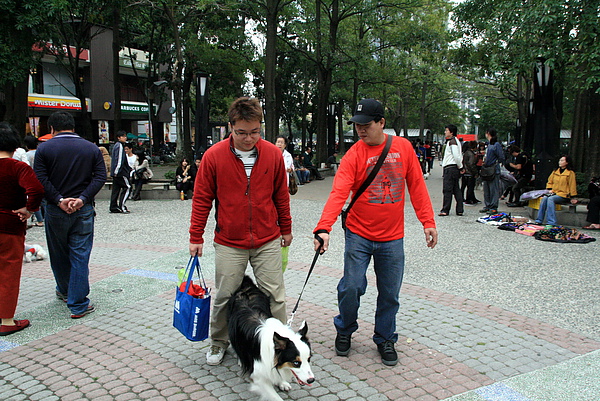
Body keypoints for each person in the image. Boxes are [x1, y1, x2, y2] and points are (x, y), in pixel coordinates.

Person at [313, 98, 437, 366]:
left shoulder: (403, 149)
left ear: (382, 123)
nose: (360, 130)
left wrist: (428, 222)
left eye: (366, 125)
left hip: (392, 237)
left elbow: (417, 187)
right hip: (358, 234)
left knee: (390, 293)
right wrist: (324, 228)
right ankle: (345, 328)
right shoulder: (353, 155)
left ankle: (385, 338)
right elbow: (338, 193)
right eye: (356, 125)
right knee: (352, 286)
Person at [189, 97, 292, 366]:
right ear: (230, 127)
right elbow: (201, 198)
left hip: (267, 238)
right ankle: (219, 341)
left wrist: (286, 228)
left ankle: (280, 343)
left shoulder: (272, 154)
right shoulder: (213, 156)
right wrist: (195, 236)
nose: (249, 139)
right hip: (229, 241)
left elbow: (281, 194)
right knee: (225, 295)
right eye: (242, 133)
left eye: (255, 132)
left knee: (275, 295)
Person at [34, 111, 106, 319]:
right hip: (83, 209)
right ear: (73, 127)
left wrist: (58, 199)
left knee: (58, 253)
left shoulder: (44, 149)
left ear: (52, 129)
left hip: (56, 209)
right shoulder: (91, 148)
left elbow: (40, 178)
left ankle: (65, 290)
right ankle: (78, 303)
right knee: (80, 254)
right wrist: (82, 198)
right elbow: (101, 176)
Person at [0, 123, 44, 335]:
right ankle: (6, 320)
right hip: (9, 225)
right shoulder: (18, 167)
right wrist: (29, 209)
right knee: (8, 273)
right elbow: (35, 189)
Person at [535, 155, 577, 227]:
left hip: (564, 195)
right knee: (544, 198)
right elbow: (550, 182)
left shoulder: (570, 173)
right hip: (554, 193)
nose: (560, 162)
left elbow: (572, 185)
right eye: (560, 160)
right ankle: (539, 220)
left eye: (562, 160)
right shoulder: (555, 172)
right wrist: (549, 189)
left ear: (567, 162)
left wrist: (573, 197)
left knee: (551, 199)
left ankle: (551, 222)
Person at [439, 124, 464, 216]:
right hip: (453, 168)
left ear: (451, 132)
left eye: (446, 130)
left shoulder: (452, 142)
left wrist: (460, 166)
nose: (445, 132)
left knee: (447, 189)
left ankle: (445, 209)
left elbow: (457, 156)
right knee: (456, 189)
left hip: (450, 168)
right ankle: (460, 209)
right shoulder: (454, 141)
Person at [479, 129, 505, 214]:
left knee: (493, 188)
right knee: (486, 188)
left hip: (493, 169)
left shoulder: (496, 145)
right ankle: (487, 205)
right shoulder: (489, 144)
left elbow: (501, 157)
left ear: (488, 134)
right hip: (486, 168)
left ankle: (493, 206)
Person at [23, 135, 45, 226]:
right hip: (42, 178)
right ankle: (45, 217)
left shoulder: (26, 155)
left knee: (34, 199)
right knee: (44, 200)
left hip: (31, 179)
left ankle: (40, 219)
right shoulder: (41, 153)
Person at [110, 131, 132, 213]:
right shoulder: (119, 146)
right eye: (123, 136)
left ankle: (113, 206)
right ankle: (122, 206)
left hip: (117, 172)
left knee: (116, 189)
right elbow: (119, 159)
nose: (125, 138)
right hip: (120, 172)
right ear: (118, 138)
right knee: (128, 187)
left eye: (125, 136)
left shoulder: (117, 145)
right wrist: (117, 171)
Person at [462, 141, 480, 205]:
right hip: (470, 172)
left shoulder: (466, 153)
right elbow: (471, 164)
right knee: (470, 187)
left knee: (465, 186)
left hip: (465, 172)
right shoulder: (471, 154)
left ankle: (470, 198)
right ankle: (469, 199)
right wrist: (475, 172)